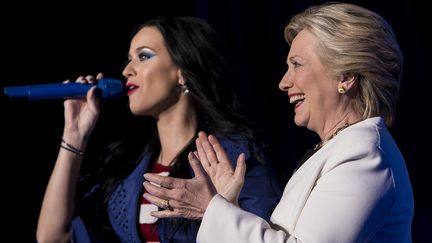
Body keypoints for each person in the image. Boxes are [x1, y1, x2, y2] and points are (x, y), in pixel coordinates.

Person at [142, 3, 414, 242]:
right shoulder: (339, 149)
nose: (284, 82)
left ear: (345, 77)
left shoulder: (364, 157)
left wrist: (211, 209)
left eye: (297, 64)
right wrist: (228, 206)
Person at [36, 16, 281, 243]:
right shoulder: (128, 168)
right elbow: (52, 237)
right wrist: (75, 135)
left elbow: (260, 235)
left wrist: (222, 208)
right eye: (128, 59)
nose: (126, 71)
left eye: (143, 56)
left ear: (181, 73)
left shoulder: (233, 158)